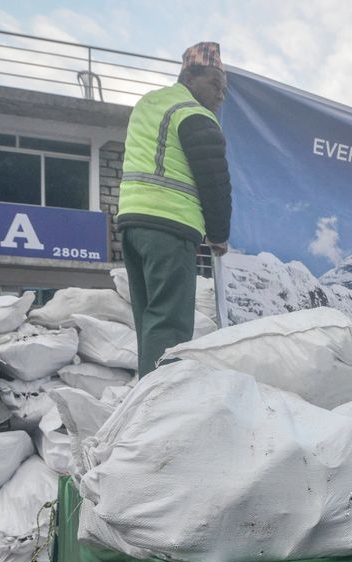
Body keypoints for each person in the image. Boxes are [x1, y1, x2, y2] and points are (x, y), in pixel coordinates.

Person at [117, 41, 232, 375]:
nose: (220, 95)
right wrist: (219, 235)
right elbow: (214, 180)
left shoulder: (149, 103)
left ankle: (147, 393)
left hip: (132, 225)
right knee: (170, 323)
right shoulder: (194, 114)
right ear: (190, 76)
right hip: (169, 227)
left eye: (223, 89)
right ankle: (162, 408)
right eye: (215, 84)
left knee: (150, 321)